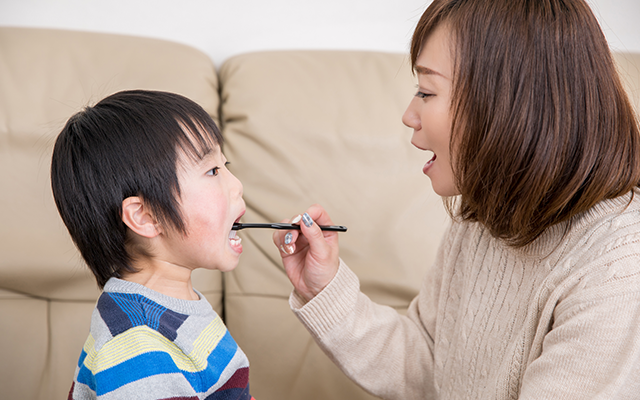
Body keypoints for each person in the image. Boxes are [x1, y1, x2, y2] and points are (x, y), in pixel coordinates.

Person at [273, 0, 640, 398]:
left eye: (426, 91)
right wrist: (325, 289)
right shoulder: (483, 221)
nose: (409, 114)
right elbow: (428, 365)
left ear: (508, 105)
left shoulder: (617, 268)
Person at [51, 90, 254, 400]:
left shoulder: (170, 306)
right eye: (213, 171)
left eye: (225, 165)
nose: (236, 184)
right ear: (146, 217)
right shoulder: (139, 353)